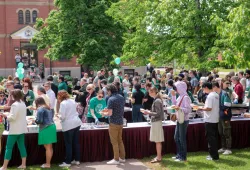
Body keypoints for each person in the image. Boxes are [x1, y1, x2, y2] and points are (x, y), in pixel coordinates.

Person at [0, 89, 27, 170]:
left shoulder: (15, 105)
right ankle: (23, 165)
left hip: (15, 130)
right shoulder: (23, 103)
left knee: (8, 148)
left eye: (11, 95)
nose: (10, 96)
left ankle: (4, 166)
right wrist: (8, 115)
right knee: (22, 146)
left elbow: (12, 118)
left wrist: (5, 115)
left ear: (14, 96)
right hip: (21, 129)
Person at [101, 84, 125, 165]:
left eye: (107, 91)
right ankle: (122, 158)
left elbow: (110, 113)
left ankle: (116, 159)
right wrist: (107, 110)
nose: (106, 92)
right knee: (120, 141)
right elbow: (116, 108)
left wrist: (104, 113)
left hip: (113, 122)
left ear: (110, 90)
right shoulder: (121, 97)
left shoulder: (111, 99)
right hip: (121, 122)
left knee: (114, 142)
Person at [57, 90, 82, 167]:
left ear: (60, 96)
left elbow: (63, 116)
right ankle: (77, 160)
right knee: (75, 142)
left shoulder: (63, 103)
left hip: (69, 125)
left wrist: (58, 116)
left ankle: (68, 162)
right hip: (76, 123)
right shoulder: (72, 101)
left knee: (68, 144)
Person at [141, 87, 164, 163]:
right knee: (157, 141)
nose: (148, 94)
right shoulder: (157, 100)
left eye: (149, 92)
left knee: (158, 141)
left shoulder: (157, 100)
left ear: (153, 92)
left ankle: (159, 157)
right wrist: (148, 111)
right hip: (156, 121)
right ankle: (158, 156)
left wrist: (148, 112)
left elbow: (158, 113)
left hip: (156, 122)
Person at [171, 81, 192, 162]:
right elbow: (175, 104)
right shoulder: (180, 96)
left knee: (181, 138)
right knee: (176, 137)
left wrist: (179, 108)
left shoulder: (185, 97)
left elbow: (188, 110)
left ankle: (183, 156)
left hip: (184, 120)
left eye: (176, 88)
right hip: (179, 119)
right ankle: (179, 154)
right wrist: (173, 96)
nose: (175, 90)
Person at [34, 97, 57, 168]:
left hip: (46, 128)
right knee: (50, 147)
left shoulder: (40, 109)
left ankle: (47, 164)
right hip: (52, 127)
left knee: (47, 147)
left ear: (37, 103)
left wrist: (34, 121)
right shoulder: (48, 107)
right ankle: (48, 163)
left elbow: (39, 121)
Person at [199, 82, 220, 161]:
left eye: (204, 89)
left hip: (210, 119)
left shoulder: (210, 96)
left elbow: (209, 108)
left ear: (206, 88)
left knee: (211, 138)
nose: (204, 90)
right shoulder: (216, 94)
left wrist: (200, 108)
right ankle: (214, 155)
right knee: (214, 138)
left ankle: (213, 156)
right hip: (215, 118)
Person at [212, 82, 232, 155]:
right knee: (221, 132)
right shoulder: (217, 94)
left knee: (227, 132)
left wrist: (219, 108)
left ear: (215, 87)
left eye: (212, 88)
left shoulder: (224, 93)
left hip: (225, 116)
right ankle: (223, 147)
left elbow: (228, 105)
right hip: (219, 116)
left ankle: (228, 149)